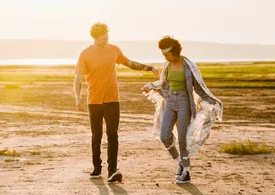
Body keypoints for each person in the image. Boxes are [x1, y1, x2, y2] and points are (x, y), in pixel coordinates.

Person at [74, 22, 159, 183]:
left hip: (113, 99)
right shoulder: (85, 54)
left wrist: (149, 68)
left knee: (113, 135)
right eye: (101, 39)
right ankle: (96, 169)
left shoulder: (113, 50)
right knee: (96, 136)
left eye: (106, 37)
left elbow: (129, 63)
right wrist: (78, 98)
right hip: (94, 100)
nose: (105, 41)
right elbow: (78, 78)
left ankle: (113, 170)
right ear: (94, 38)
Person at [142, 36, 223, 184]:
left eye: (167, 54)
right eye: (163, 55)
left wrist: (213, 101)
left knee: (182, 139)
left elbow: (199, 87)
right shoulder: (167, 64)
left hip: (184, 103)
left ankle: (186, 171)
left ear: (175, 51)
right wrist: (151, 86)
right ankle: (180, 162)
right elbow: (162, 83)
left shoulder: (189, 66)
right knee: (164, 136)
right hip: (170, 102)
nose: (165, 57)